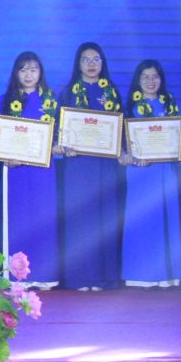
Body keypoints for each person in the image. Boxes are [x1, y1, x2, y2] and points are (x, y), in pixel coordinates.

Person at [59, 42, 124, 291]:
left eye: (96, 59)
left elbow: (121, 129)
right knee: (80, 218)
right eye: (86, 59)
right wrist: (64, 146)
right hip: (78, 166)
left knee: (104, 219)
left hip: (105, 166)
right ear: (78, 64)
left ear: (103, 63)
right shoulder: (68, 93)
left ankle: (103, 277)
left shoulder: (111, 92)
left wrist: (122, 150)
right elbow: (59, 130)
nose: (91, 64)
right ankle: (79, 277)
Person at [0, 51, 63, 288]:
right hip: (16, 172)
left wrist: (58, 146)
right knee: (18, 220)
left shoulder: (51, 101)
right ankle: (17, 276)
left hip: (43, 171)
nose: (28, 74)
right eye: (23, 69)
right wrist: (5, 156)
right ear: (16, 73)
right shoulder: (5, 101)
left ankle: (44, 275)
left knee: (43, 217)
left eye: (33, 69)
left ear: (40, 73)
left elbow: (61, 133)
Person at [119, 59, 181, 288]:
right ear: (138, 80)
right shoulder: (129, 107)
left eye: (155, 76)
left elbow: (179, 140)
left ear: (161, 79)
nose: (151, 81)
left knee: (166, 218)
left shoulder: (169, 106)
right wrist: (125, 155)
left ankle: (167, 275)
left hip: (164, 169)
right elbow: (120, 144)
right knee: (141, 219)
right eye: (145, 77)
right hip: (139, 171)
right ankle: (138, 275)